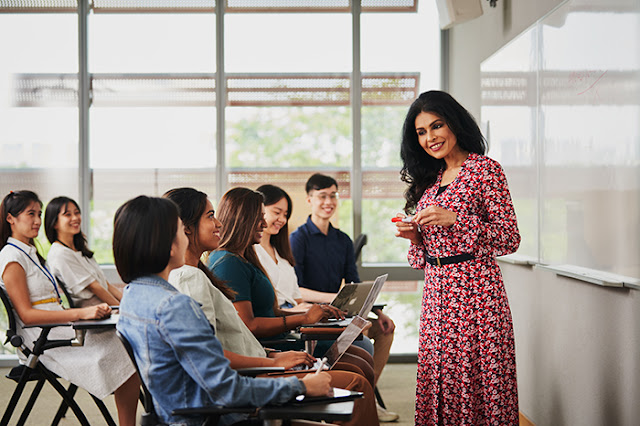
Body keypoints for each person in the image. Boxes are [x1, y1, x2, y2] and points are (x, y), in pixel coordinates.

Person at [164, 187, 379, 425]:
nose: (219, 223)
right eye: (210, 216)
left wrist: (274, 354)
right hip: (251, 376)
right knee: (356, 382)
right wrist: (274, 360)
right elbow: (212, 355)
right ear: (186, 227)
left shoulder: (202, 273)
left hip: (260, 361)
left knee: (356, 370)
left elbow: (233, 337)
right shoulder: (196, 276)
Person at [114, 195, 333, 426]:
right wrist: (301, 386)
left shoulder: (133, 295)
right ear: (168, 246)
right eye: (180, 230)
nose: (186, 236)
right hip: (218, 418)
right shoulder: (174, 306)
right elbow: (225, 388)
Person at [394, 90, 521, 425]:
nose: (430, 137)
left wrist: (458, 220)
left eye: (437, 126)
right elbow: (422, 257)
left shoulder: (485, 170)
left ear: (454, 123)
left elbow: (509, 238)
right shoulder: (430, 180)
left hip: (477, 295)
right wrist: (416, 238)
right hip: (437, 298)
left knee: (478, 385)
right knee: (442, 382)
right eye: (421, 132)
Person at [207, 187, 376, 383]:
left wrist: (313, 312)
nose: (264, 223)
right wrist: (303, 317)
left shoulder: (245, 258)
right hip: (270, 347)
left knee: (361, 360)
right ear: (243, 219)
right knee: (358, 368)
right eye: (260, 217)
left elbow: (272, 312)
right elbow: (250, 325)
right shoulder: (228, 263)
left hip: (277, 339)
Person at [0, 190, 139, 426]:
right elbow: (27, 315)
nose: (37, 221)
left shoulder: (32, 254)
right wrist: (81, 313)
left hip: (56, 329)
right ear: (10, 219)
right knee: (125, 351)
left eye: (39, 214)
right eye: (30, 214)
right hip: (40, 339)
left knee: (128, 346)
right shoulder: (12, 257)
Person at [289, 174, 399, 422]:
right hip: (313, 314)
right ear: (310, 200)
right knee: (363, 344)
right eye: (322, 196)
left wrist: (378, 312)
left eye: (333, 195)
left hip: (339, 311)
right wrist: (332, 298)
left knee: (385, 329)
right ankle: (359, 397)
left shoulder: (342, 240)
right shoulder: (299, 239)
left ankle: (367, 395)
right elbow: (296, 291)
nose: (329, 201)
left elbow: (354, 284)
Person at [45, 196, 122, 307]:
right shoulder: (60, 254)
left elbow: (106, 285)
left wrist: (126, 304)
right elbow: (94, 287)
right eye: (68, 214)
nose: (75, 218)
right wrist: (120, 309)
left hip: (108, 308)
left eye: (77, 213)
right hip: (96, 312)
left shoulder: (80, 248)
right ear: (54, 223)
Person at [254, 184, 311, 311]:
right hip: (275, 320)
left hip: (295, 320)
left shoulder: (281, 252)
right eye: (277, 212)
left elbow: (297, 299)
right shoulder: (249, 252)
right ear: (259, 210)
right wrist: (291, 312)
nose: (282, 219)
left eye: (285, 214)